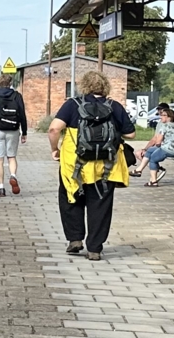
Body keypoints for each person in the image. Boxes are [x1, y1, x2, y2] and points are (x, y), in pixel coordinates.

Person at [47, 70, 134, 260]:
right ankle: (94, 248)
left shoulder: (73, 105)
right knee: (100, 206)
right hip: (106, 166)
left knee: (71, 199)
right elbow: (131, 134)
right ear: (105, 87)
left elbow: (54, 128)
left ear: (84, 86)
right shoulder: (114, 106)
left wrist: (55, 149)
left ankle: (75, 239)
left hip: (74, 165)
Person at [0, 73, 27, 196]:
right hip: (13, 130)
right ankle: (13, 176)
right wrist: (24, 132)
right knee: (11, 156)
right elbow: (22, 115)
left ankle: (1, 188)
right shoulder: (17, 96)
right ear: (10, 83)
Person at [137, 106, 174, 186]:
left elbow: (158, 142)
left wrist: (158, 147)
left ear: (169, 117)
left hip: (169, 150)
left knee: (153, 158)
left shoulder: (164, 126)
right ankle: (139, 169)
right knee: (150, 150)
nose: (161, 117)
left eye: (163, 115)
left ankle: (153, 181)